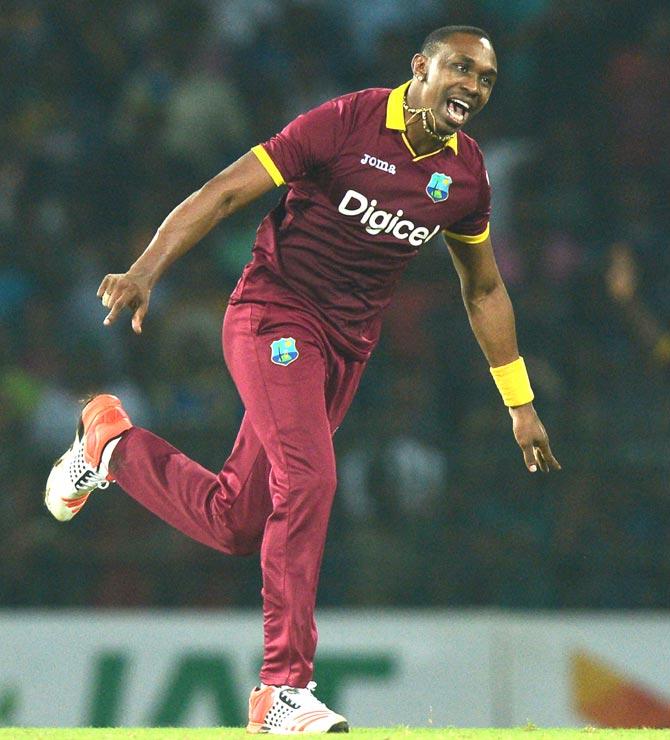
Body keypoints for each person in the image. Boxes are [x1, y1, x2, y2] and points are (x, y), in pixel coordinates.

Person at [45, 25, 561, 734]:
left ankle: (110, 447)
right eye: (461, 70)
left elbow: (484, 291)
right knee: (311, 479)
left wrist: (519, 403)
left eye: (486, 80)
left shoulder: (465, 175)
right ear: (421, 68)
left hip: (343, 351)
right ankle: (281, 691)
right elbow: (227, 191)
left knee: (236, 521)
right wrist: (145, 270)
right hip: (272, 316)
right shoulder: (346, 121)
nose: (473, 87)